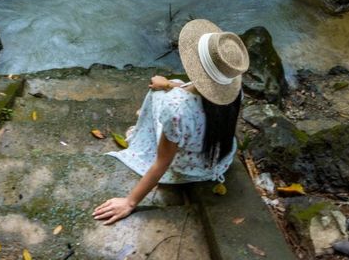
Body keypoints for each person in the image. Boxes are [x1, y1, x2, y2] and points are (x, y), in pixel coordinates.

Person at [92, 18, 249, 225]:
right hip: (219, 159)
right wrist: (168, 84)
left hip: (188, 168)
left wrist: (130, 202)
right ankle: (164, 92)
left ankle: (145, 127)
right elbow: (195, 92)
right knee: (172, 86)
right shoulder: (234, 92)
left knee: (157, 93)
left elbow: (162, 162)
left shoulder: (177, 109)